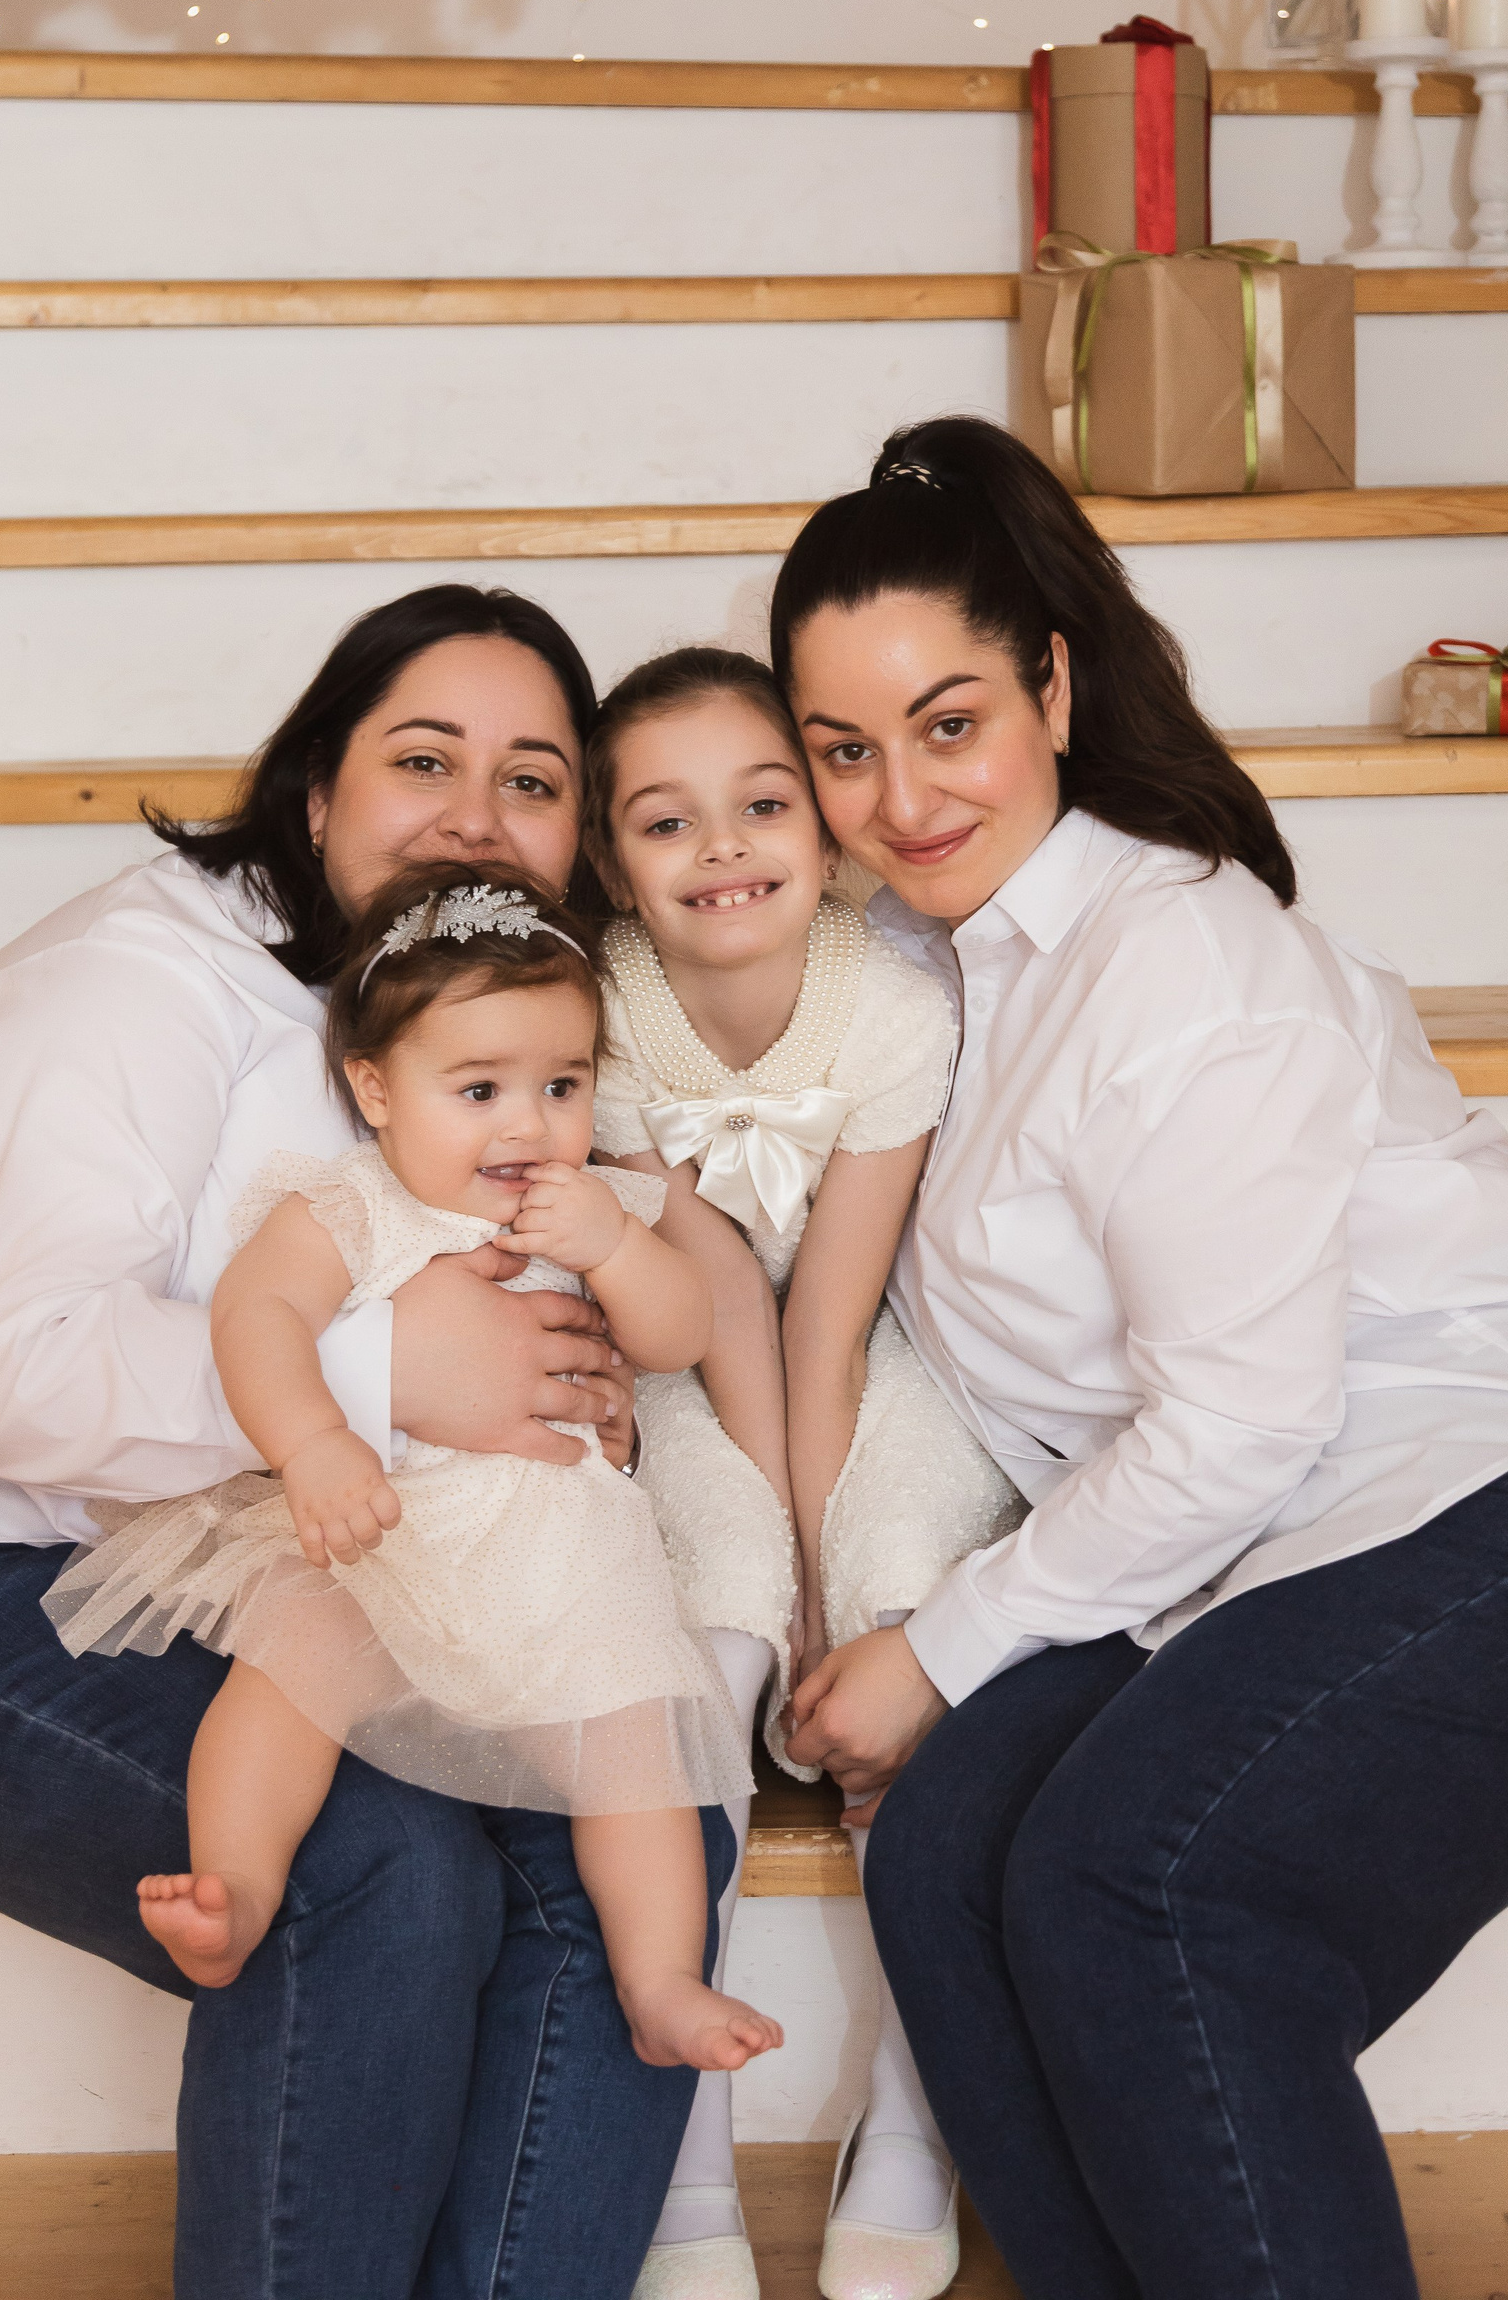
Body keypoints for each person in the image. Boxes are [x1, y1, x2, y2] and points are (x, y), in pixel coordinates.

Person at [774, 415, 1508, 2300]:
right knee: (944, 1856)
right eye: (844, 750)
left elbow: (1244, 1421)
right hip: (1253, 1554)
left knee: (1142, 1884)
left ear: (1051, 685)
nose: (900, 798)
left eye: (950, 724)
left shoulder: (1176, 958)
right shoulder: (931, 973)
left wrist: (938, 1646)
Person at [0, 584, 740, 2300]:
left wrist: (568, 1376)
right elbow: (16, 1384)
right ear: (314, 787)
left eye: (532, 779)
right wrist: (397, 1370)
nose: (477, 814)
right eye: (423, 759)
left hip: (333, 1563)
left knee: (643, 1816)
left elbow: (618, 1287)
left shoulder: (506, 1009)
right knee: (382, 1872)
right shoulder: (117, 985)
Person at [43, 855, 777, 2080]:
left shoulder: (594, 1200)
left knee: (639, 1751)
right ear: (376, 1088)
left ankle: (661, 1980)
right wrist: (313, 1442)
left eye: (561, 1084)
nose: (526, 1124)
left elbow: (678, 1335)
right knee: (293, 1667)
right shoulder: (350, 1206)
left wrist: (614, 1245)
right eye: (478, 1088)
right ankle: (234, 1886)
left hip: (553, 1555)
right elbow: (255, 1318)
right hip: (379, 1527)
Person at [583, 646, 1024, 2300]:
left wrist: (842, 1595)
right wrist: (779, 1572)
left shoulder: (891, 1007)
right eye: (666, 822)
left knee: (909, 1589)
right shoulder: (610, 1011)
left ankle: (912, 2117)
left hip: (865, 1347)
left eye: (763, 803)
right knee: (711, 1604)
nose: (724, 849)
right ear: (613, 859)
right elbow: (712, 1311)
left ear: (824, 828)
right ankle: (683, 2145)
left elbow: (829, 1321)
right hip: (684, 1352)